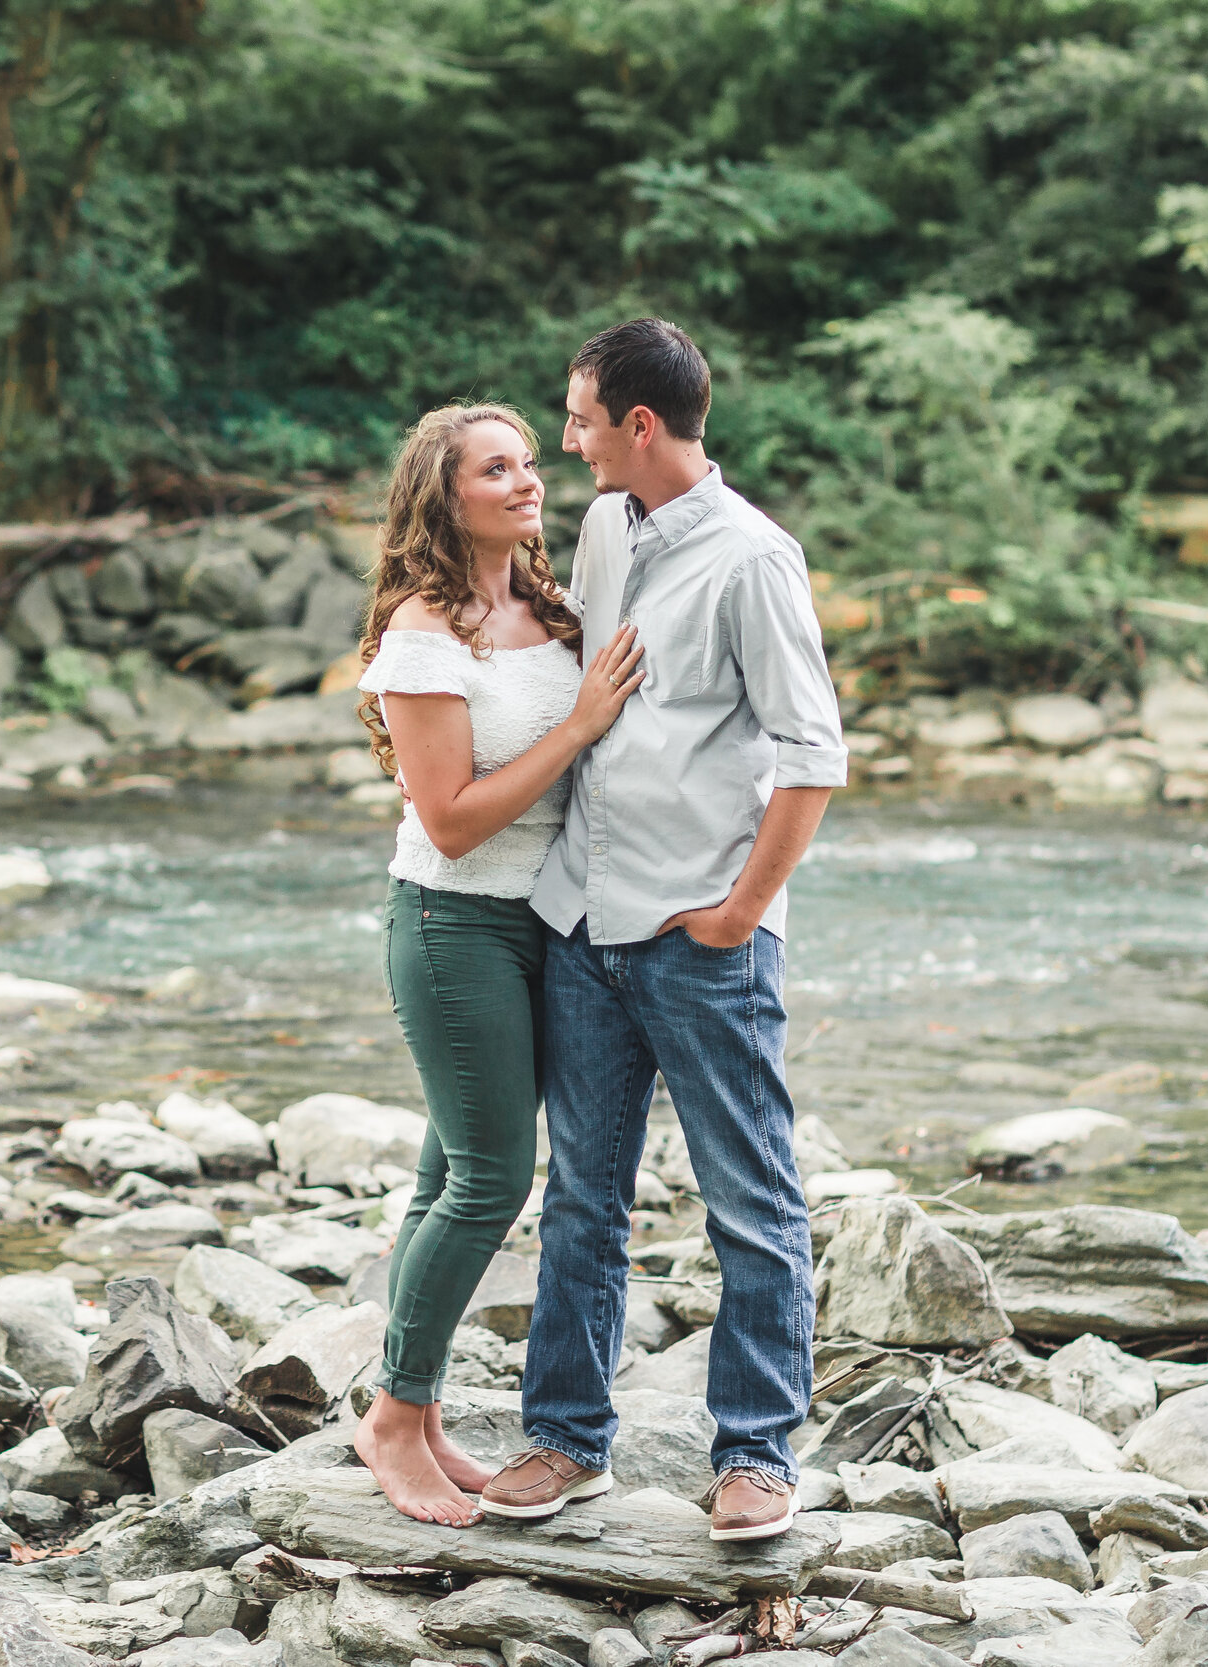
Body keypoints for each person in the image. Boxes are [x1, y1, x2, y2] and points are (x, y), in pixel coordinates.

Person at [480, 320, 848, 1542]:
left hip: (701, 934)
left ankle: (754, 1454)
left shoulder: (754, 560)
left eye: (579, 418)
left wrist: (741, 910)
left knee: (751, 1197)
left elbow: (812, 754)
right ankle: (565, 1439)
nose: (566, 439)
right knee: (581, 1194)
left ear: (640, 424)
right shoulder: (601, 527)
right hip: (583, 919)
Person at [349, 402, 649, 1526]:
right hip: (454, 922)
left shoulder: (549, 601)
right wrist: (574, 727)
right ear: (446, 494)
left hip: (552, 923)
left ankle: (417, 1416)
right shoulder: (427, 631)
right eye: (497, 468)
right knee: (488, 1181)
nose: (528, 481)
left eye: (529, 461)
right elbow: (455, 818)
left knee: (444, 1177)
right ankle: (392, 1414)